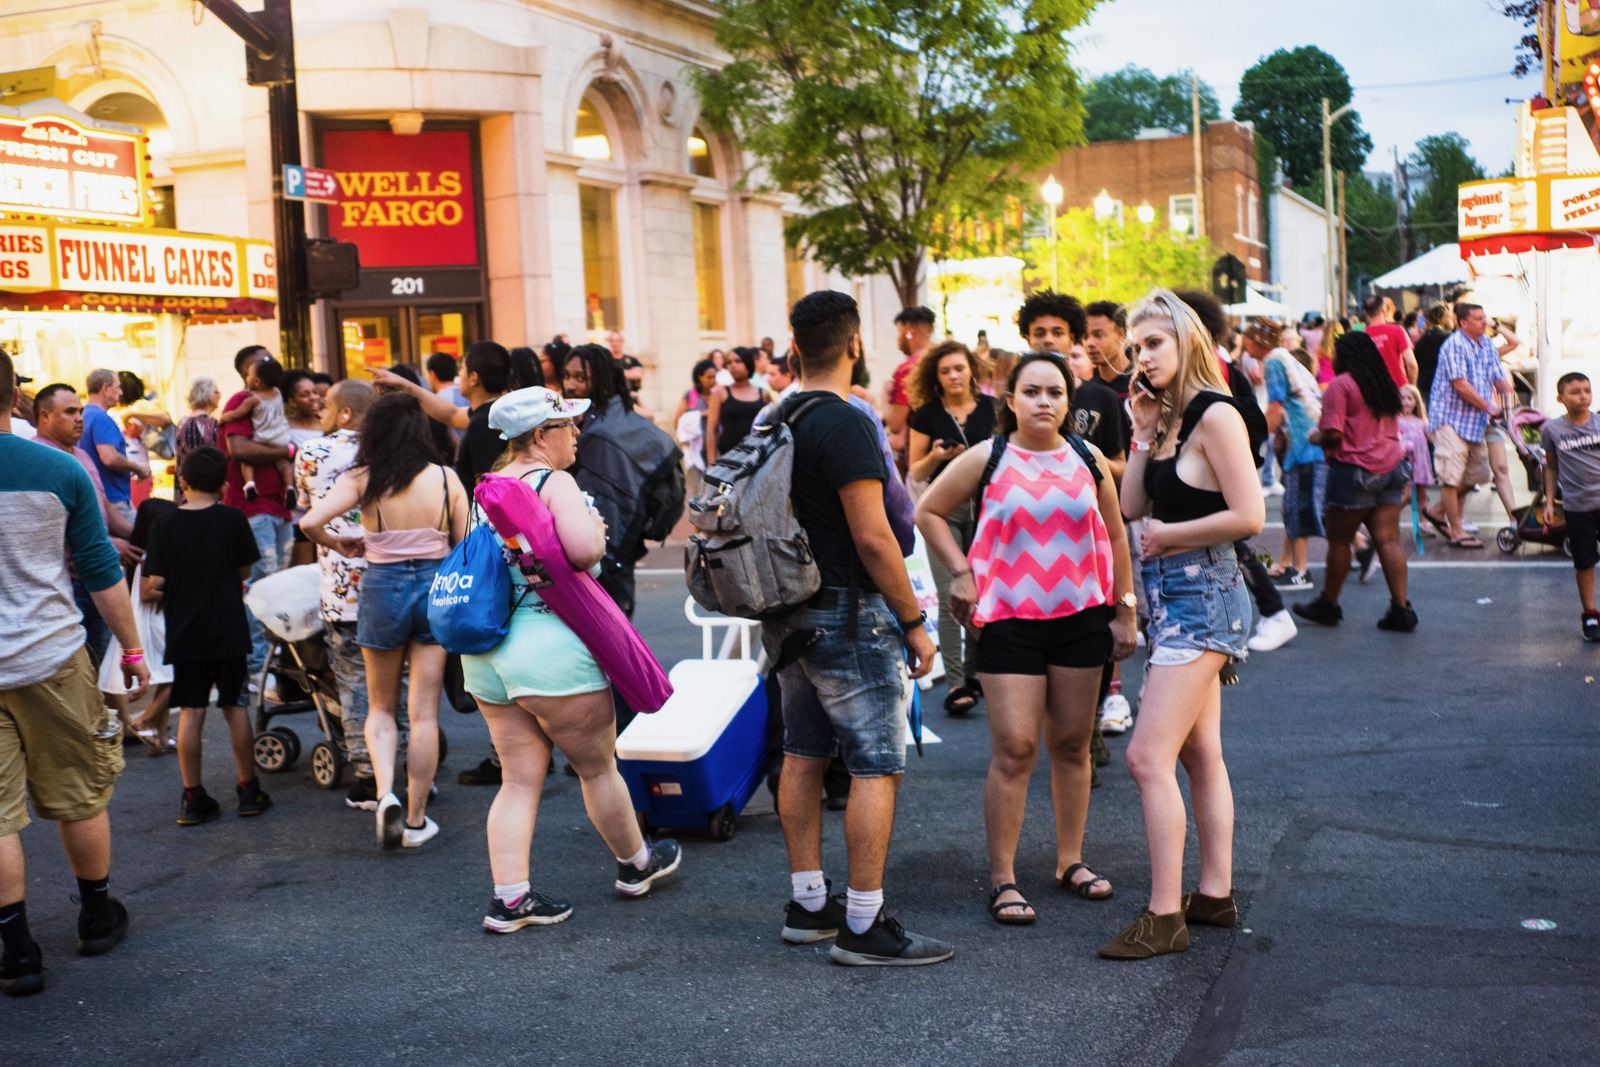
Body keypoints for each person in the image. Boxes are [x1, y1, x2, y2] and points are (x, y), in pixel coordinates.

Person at [762, 290, 950, 967]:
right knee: (876, 762)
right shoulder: (842, 421)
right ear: (855, 345)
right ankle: (864, 923)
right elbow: (874, 538)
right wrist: (915, 622)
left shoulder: (771, 417)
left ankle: (809, 904)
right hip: (845, 608)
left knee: (804, 752)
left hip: (786, 610)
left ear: (795, 346)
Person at [916, 351, 1136, 925]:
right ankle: (1003, 878)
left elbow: (1115, 538)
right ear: (1009, 400)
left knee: (1071, 745)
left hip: (1081, 620)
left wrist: (1126, 610)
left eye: (1056, 393)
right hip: (1009, 621)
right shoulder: (987, 457)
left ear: (1069, 402)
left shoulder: (1087, 458)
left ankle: (1070, 861)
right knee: (1015, 748)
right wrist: (961, 572)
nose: (1045, 402)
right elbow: (928, 511)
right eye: (1033, 392)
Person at [465, 387, 683, 932]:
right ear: (540, 435)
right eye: (567, 423)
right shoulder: (554, 481)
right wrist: (599, 530)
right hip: (551, 651)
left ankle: (510, 899)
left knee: (517, 779)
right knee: (596, 766)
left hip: (489, 654)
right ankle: (637, 864)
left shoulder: (487, 489)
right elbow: (585, 553)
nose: (578, 433)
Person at [1100, 290, 1263, 960]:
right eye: (1137, 347)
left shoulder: (1216, 415)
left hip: (1203, 604)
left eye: (1154, 344)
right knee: (1199, 753)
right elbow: (1133, 501)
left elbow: (1250, 514)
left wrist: (1171, 536)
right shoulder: (1164, 418)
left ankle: (1165, 914)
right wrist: (1139, 431)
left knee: (1145, 756)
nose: (1143, 357)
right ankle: (1215, 894)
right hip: (1175, 603)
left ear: (1187, 341)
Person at [0, 352, 149, 997]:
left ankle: (15, 950)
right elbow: (98, 567)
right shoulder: (58, 470)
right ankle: (95, 913)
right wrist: (134, 650)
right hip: (52, 655)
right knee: (81, 791)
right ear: (13, 398)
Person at [301, 394, 468, 850]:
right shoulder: (446, 478)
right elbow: (464, 546)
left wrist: (341, 544)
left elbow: (310, 522)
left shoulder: (363, 476)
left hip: (381, 588)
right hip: (435, 589)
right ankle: (416, 818)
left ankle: (384, 793)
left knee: (379, 707)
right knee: (424, 712)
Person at [141, 447, 274, 824]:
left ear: (181, 481)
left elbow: (156, 582)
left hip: (185, 630)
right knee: (235, 706)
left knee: (191, 710)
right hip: (228, 626)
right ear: (224, 484)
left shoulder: (164, 524)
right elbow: (245, 570)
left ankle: (193, 796)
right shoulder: (233, 519)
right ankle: (249, 789)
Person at [295, 379, 404, 809]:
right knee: (403, 682)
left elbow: (306, 510)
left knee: (356, 684)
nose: (320, 416)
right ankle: (411, 770)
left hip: (342, 593)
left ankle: (368, 775)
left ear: (344, 414)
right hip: (395, 582)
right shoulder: (395, 453)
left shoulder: (312, 453)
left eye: (325, 408)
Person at [1292, 333, 1417, 632]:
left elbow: (1333, 433)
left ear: (1344, 356)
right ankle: (1401, 609)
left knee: (1340, 540)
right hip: (1392, 466)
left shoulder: (1342, 385)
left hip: (1355, 470)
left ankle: (1329, 604)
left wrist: (1314, 437)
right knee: (1388, 539)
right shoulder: (1385, 384)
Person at [561, 344, 684, 624]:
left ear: (603, 379)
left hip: (609, 557)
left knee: (608, 642)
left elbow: (662, 451)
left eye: (581, 378)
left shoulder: (604, 429)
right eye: (567, 376)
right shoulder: (597, 421)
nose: (571, 384)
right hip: (600, 552)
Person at [905, 340, 995, 716]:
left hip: (989, 510)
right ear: (936, 378)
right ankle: (956, 680)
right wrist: (936, 456)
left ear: (972, 370)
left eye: (959, 368)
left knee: (984, 592)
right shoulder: (925, 415)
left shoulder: (992, 408)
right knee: (950, 594)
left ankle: (976, 675)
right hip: (944, 512)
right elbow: (915, 471)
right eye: (945, 371)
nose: (954, 375)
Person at [32, 384, 140, 660]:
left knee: (102, 669)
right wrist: (110, 543)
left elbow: (103, 507)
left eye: (80, 411)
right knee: (80, 669)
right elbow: (50, 522)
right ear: (44, 416)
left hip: (96, 578)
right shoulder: (40, 459)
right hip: (67, 585)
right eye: (70, 412)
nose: (80, 418)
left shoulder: (82, 456)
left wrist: (136, 534)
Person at [221, 346, 294, 682]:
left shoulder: (275, 394)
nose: (268, 363)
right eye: (259, 361)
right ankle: (257, 665)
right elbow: (239, 448)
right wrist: (286, 451)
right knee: (260, 581)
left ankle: (273, 659)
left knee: (278, 581)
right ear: (246, 371)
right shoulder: (240, 399)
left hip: (279, 504)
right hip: (253, 506)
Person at [1424, 303, 1514, 548]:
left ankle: (1435, 511)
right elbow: (1460, 385)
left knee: (1478, 475)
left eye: (1484, 317)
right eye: (1478, 318)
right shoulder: (1454, 345)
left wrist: (1513, 409)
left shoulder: (1486, 344)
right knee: (1450, 477)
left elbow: (1500, 380)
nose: (1484, 322)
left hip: (1474, 420)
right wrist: (1490, 407)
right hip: (1449, 418)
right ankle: (1456, 531)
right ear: (1463, 323)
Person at [373, 341, 511, 496]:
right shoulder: (496, 411)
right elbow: (451, 415)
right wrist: (405, 385)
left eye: (462, 369)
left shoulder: (481, 424)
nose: (458, 375)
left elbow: (489, 492)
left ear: (473, 378)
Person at [1018, 291, 1126, 480]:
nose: (1048, 340)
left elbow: (1121, 469)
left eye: (1058, 332)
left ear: (1072, 338)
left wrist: (1083, 453)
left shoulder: (1104, 398)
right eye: (1039, 333)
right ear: (1028, 338)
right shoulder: (1017, 399)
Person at [1258, 319, 1325, 591]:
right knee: (1296, 508)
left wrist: (1255, 439)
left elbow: (1275, 407)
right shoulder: (1292, 365)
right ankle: (1292, 565)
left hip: (1304, 447)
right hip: (1305, 447)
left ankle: (1300, 571)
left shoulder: (1275, 361)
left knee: (1299, 508)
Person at [1540, 372, 1600, 642]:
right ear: (1560, 398)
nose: (1583, 396)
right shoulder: (1552, 430)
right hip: (1577, 506)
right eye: (1575, 392)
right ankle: (1590, 613)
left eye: (1587, 390)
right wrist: (1550, 501)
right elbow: (1551, 467)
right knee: (1584, 560)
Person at [216, 355, 296, 507]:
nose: (247, 379)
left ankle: (250, 484)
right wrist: (287, 451)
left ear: (257, 381)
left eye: (249, 376)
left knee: (248, 460)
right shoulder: (278, 393)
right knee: (284, 464)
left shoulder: (252, 399)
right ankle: (289, 487)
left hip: (264, 436)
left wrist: (223, 418)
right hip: (281, 436)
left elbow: (237, 414)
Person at [81, 368, 149, 527]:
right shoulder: (101, 418)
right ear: (105, 388)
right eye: (117, 387)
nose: (120, 393)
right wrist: (139, 468)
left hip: (98, 499)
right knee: (140, 545)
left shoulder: (83, 415)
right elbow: (109, 457)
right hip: (113, 500)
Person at [885, 306, 937, 469]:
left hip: (921, 459)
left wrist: (885, 395)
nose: (898, 339)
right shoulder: (950, 361)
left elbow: (895, 424)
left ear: (910, 331)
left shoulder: (907, 370)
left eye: (899, 332)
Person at [705, 347, 766, 465]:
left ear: (748, 363)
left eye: (738, 361)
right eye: (729, 362)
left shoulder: (763, 394)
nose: (733, 366)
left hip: (757, 459)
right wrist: (711, 463)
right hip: (728, 458)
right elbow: (712, 430)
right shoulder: (720, 394)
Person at [175, 377, 221, 505]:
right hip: (206, 493)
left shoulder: (182, 422)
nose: (220, 396)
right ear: (206, 395)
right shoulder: (210, 424)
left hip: (186, 491)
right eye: (216, 392)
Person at [1397, 385, 1435, 535]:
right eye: (1402, 398)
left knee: (1422, 493)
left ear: (1416, 402)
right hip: (1404, 462)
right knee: (1405, 494)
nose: (1405, 401)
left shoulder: (1422, 421)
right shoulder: (1395, 419)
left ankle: (1423, 522)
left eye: (1409, 398)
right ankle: (1391, 517)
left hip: (1420, 462)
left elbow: (1432, 438)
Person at [1362, 294, 1416, 389]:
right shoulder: (1397, 330)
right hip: (1399, 389)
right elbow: (1411, 363)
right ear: (1383, 309)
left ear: (1366, 312)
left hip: (1374, 392)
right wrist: (1411, 387)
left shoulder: (1361, 336)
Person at [1413, 303, 1454, 404]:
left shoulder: (1422, 338)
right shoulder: (1448, 337)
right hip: (1443, 386)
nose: (1452, 320)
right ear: (1445, 318)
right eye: (1450, 317)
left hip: (1424, 384)